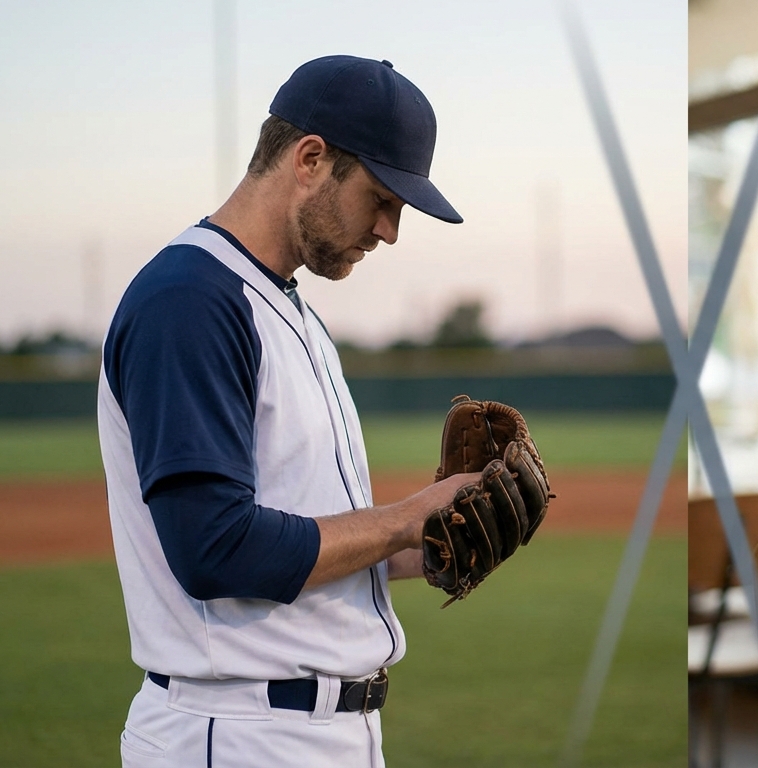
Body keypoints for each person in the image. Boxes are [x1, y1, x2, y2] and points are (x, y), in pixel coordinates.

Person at [98, 56, 480, 767]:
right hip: (236, 731)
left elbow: (303, 535)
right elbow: (214, 550)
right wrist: (405, 515)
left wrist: (425, 545)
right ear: (310, 159)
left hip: (315, 732)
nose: (390, 230)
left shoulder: (288, 309)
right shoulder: (191, 301)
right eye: (382, 198)